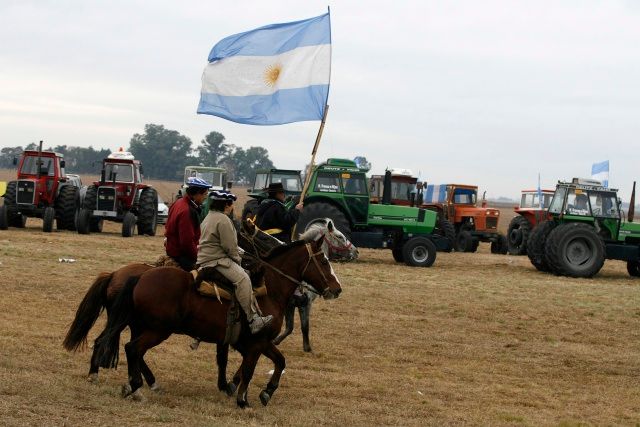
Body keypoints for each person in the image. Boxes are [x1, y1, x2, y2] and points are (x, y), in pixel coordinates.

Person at [197, 190, 273, 334]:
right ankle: (253, 320)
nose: (232, 207)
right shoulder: (224, 220)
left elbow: (224, 243)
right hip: (217, 260)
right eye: (231, 204)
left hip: (206, 258)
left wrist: (244, 253)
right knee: (244, 279)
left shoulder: (209, 217)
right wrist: (239, 261)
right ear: (226, 204)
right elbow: (229, 247)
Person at [164, 177, 211, 271]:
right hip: (182, 256)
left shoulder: (178, 202)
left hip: (173, 251)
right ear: (197, 193)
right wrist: (200, 258)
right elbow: (186, 243)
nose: (205, 197)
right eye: (205, 194)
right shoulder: (187, 211)